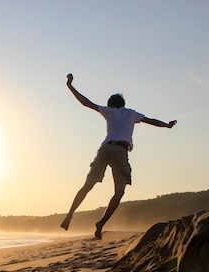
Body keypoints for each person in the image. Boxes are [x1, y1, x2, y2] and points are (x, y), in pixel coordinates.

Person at [60, 73, 177, 239]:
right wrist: (168, 125)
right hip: (120, 151)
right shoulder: (131, 114)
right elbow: (152, 121)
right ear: (123, 104)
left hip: (105, 148)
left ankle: (70, 214)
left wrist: (70, 85)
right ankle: (101, 223)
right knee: (119, 191)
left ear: (111, 105)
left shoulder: (109, 111)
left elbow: (86, 103)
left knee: (88, 184)